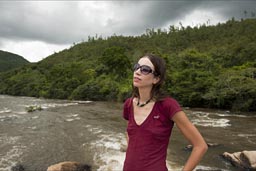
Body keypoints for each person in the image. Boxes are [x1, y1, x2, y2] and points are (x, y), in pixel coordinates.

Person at [122, 54, 208, 171]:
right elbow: (131, 134)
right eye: (137, 67)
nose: (137, 72)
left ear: (156, 79)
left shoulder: (167, 105)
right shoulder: (128, 104)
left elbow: (200, 146)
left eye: (145, 70)